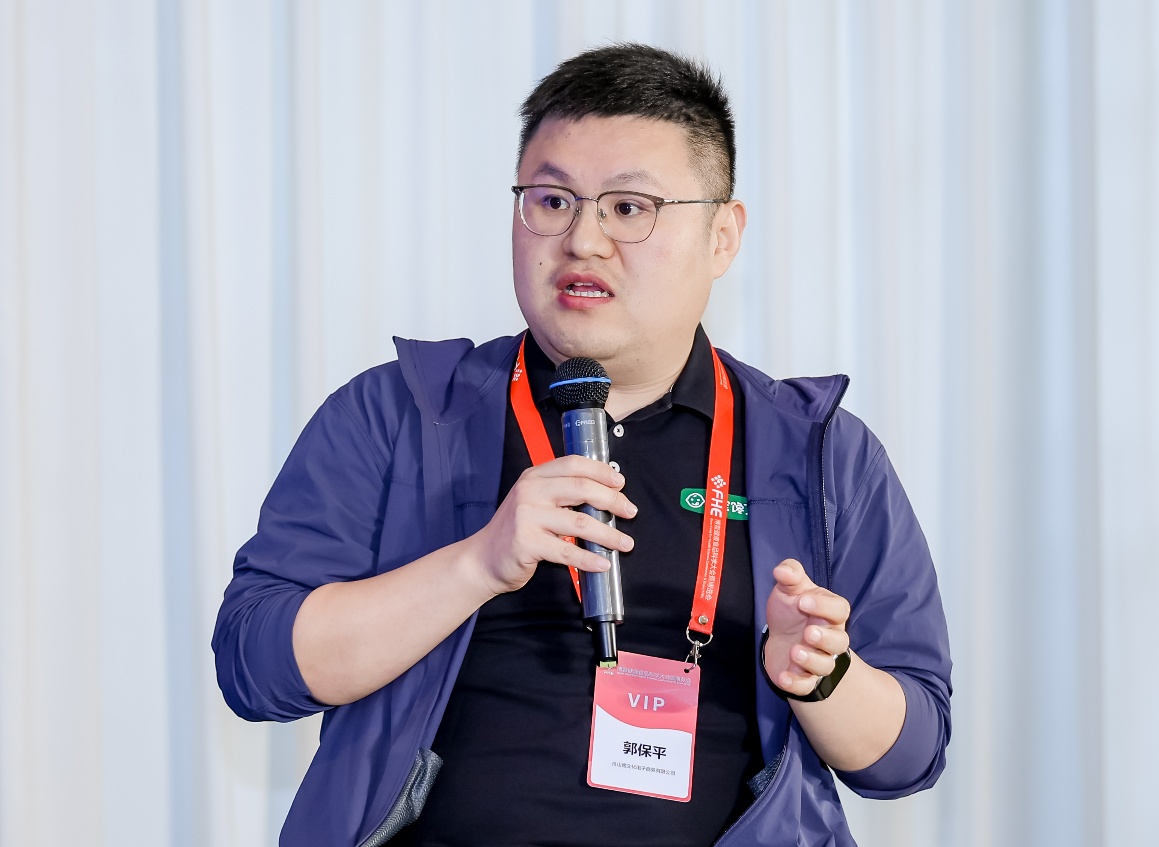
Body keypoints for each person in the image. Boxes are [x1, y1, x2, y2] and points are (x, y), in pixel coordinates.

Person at [213, 43, 952, 847]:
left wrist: (821, 673)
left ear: (722, 236)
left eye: (629, 208)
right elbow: (255, 662)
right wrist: (477, 564)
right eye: (553, 200)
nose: (583, 240)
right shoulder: (399, 414)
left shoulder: (820, 454)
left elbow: (909, 754)